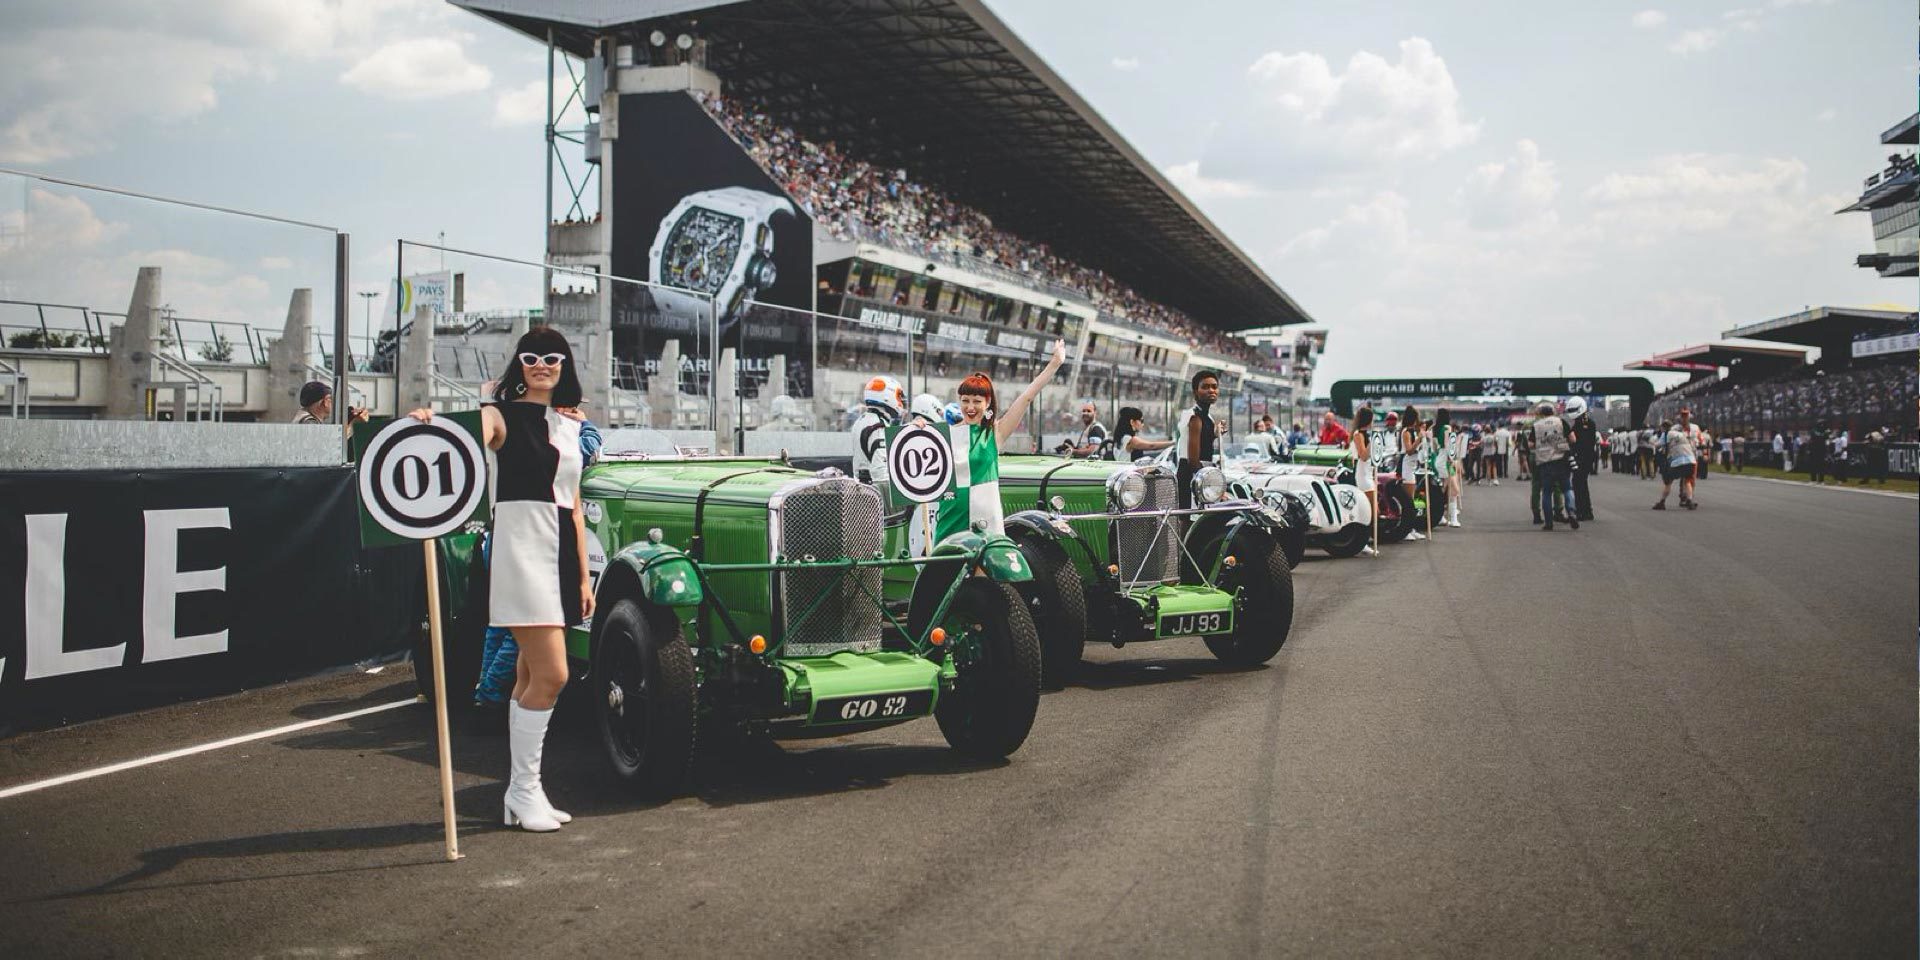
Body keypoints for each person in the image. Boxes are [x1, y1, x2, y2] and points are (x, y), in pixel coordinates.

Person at [408, 327, 591, 834]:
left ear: (563, 366)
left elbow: (574, 507)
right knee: (553, 675)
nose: (541, 364)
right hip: (521, 548)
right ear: (520, 364)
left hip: (559, 553)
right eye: (531, 357)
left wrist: (582, 577)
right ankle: (523, 790)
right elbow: (469, 433)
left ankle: (523, 791)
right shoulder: (501, 414)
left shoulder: (571, 425)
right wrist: (429, 424)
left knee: (530, 677)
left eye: (551, 357)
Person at [474, 405, 603, 712]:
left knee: (501, 626)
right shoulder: (555, 444)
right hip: (528, 543)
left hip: (501, 535)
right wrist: (585, 424)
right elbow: (588, 448)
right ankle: (489, 697)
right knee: (524, 631)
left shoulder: (517, 435)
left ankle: (484, 690)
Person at [940, 339, 1066, 539]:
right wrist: (917, 428)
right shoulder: (944, 434)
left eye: (977, 401)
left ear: (987, 402)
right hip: (950, 518)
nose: (970, 407)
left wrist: (1054, 364)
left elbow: (1026, 398)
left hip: (984, 521)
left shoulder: (994, 433)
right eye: (965, 401)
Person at [1174, 370, 1223, 510]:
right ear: (1196, 391)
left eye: (1214, 387)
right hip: (1192, 474)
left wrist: (1216, 433)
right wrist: (1212, 482)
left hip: (1201, 473)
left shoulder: (1208, 417)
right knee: (1188, 521)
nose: (1211, 390)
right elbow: (1193, 460)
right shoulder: (1194, 417)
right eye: (1205, 387)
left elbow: (1204, 439)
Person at [1530, 402, 1578, 531]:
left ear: (1541, 414)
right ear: (1553, 412)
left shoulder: (1536, 425)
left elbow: (1530, 444)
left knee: (1546, 492)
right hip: (1562, 460)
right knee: (1567, 488)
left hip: (1545, 463)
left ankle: (1549, 522)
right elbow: (1573, 439)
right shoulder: (1561, 422)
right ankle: (1572, 513)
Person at [851, 375, 907, 484]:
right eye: (898, 396)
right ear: (887, 396)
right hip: (875, 493)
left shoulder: (862, 420)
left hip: (864, 488)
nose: (900, 401)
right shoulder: (878, 426)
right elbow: (881, 473)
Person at [1654, 408, 1700, 510]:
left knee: (1668, 482)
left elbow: (1658, 445)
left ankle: (1662, 502)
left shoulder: (1667, 434)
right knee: (1688, 481)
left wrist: (1653, 443)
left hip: (1677, 461)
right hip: (1690, 459)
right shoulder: (1682, 433)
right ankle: (1690, 501)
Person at [295, 379, 369, 436]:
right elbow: (328, 445)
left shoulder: (304, 417)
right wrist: (354, 424)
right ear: (326, 401)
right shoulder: (309, 422)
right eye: (332, 400)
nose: (334, 405)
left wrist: (349, 421)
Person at [1350, 405, 1378, 556]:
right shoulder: (1358, 435)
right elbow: (1363, 455)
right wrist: (1373, 442)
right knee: (1369, 511)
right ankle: (1363, 542)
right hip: (1362, 474)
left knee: (1374, 510)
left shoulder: (1366, 434)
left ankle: (1365, 541)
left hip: (1369, 473)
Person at [1396, 406, 1427, 540]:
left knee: (1411, 501)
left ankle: (1411, 527)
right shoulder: (1406, 432)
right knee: (1407, 502)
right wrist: (1419, 439)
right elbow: (1409, 450)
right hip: (1406, 466)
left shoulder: (1411, 431)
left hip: (1412, 466)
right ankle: (1405, 530)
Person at [1564, 396, 1597, 523]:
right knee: (1581, 483)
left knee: (1578, 483)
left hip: (1583, 457)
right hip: (1586, 456)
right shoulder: (1584, 422)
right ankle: (1585, 511)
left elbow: (1581, 443)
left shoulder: (1585, 424)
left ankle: (1583, 511)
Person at [1431, 408, 1461, 527]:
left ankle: (1441, 517)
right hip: (1446, 461)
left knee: (1443, 490)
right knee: (1453, 490)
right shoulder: (1448, 428)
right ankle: (1452, 519)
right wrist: (1452, 459)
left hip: (1440, 458)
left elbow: (1434, 446)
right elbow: (1449, 444)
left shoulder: (1435, 428)